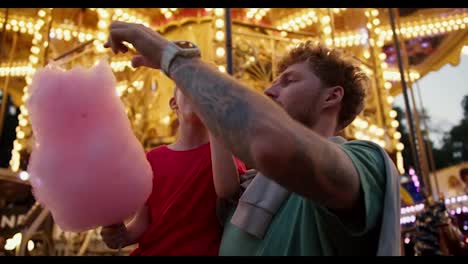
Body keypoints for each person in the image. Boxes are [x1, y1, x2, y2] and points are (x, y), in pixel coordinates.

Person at [104, 21, 401, 256]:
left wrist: (178, 62)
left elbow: (274, 146)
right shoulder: (256, 184)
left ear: (332, 96)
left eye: (290, 80)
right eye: (273, 82)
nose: (270, 91)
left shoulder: (366, 161)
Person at [100, 86, 246, 256]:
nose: (199, 92)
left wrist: (215, 119)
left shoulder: (224, 156)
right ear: (174, 103)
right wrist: (122, 235)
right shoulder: (152, 159)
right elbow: (142, 223)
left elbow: (229, 190)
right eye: (189, 85)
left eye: (207, 88)